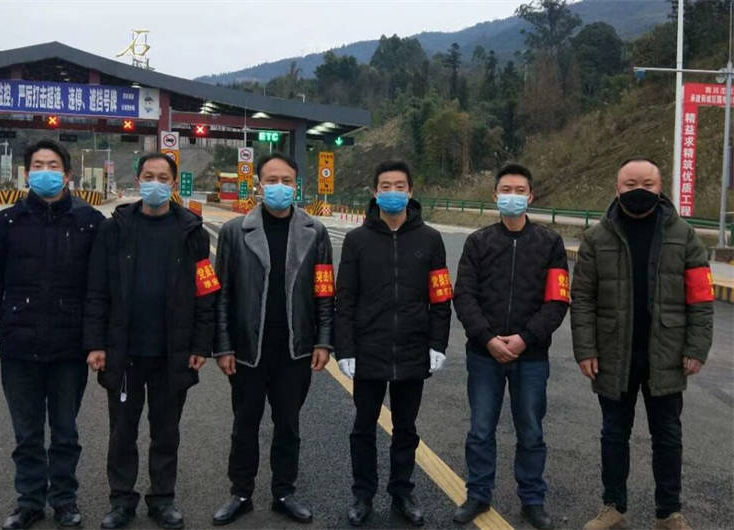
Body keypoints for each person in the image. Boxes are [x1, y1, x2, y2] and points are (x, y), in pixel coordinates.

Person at [571, 158, 714, 530]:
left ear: (660, 187)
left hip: (666, 354)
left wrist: (696, 348)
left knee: (667, 436)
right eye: (630, 184)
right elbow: (582, 299)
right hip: (613, 354)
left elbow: (701, 298)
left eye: (648, 184)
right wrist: (585, 349)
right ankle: (613, 506)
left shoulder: (684, 235)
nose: (639, 191)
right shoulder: (597, 237)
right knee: (613, 434)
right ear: (617, 188)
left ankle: (669, 512)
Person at [0, 139, 104, 530]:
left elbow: (99, 288)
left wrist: (96, 341)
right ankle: (29, 501)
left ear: (68, 175)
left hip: (69, 346)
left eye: (53, 166)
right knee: (27, 433)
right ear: (27, 173)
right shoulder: (8, 221)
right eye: (37, 165)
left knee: (65, 432)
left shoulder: (90, 222)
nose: (45, 172)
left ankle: (64, 499)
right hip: (19, 343)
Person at [83, 153, 217, 530]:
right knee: (122, 432)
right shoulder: (114, 229)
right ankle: (121, 500)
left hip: (171, 352)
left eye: (162, 177)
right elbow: (96, 289)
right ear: (138, 180)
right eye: (148, 175)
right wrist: (96, 343)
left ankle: (163, 498)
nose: (155, 183)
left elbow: (206, 292)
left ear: (173, 184)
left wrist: (200, 346)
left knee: (166, 431)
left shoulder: (192, 232)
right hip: (124, 350)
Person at [211, 152, 334, 526]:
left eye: (287, 181)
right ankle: (241, 493)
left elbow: (324, 290)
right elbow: (221, 295)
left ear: (296, 185)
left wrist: (323, 340)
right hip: (248, 349)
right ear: (258, 185)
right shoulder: (235, 232)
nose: (280, 187)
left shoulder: (315, 232)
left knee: (288, 425)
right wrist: (223, 346)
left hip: (295, 349)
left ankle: (284, 492)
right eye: (272, 180)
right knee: (244, 425)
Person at [334, 160, 451, 527]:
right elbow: (344, 299)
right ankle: (363, 494)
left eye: (400, 186)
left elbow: (441, 297)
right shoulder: (357, 240)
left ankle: (402, 491)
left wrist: (438, 343)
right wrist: (345, 349)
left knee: (406, 428)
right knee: (363, 427)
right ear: (374, 192)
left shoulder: (430, 239)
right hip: (368, 349)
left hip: (413, 349)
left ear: (411, 191)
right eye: (385, 186)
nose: (393, 192)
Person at [452, 163, 569, 529]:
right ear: (495, 196)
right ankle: (478, 494)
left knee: (531, 430)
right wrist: (488, 338)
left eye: (520, 191)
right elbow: (464, 295)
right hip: (483, 355)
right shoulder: (478, 242)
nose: (512, 196)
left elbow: (557, 301)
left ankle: (532, 499)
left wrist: (524, 338)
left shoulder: (550, 244)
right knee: (480, 429)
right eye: (506, 190)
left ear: (531, 197)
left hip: (531, 356)